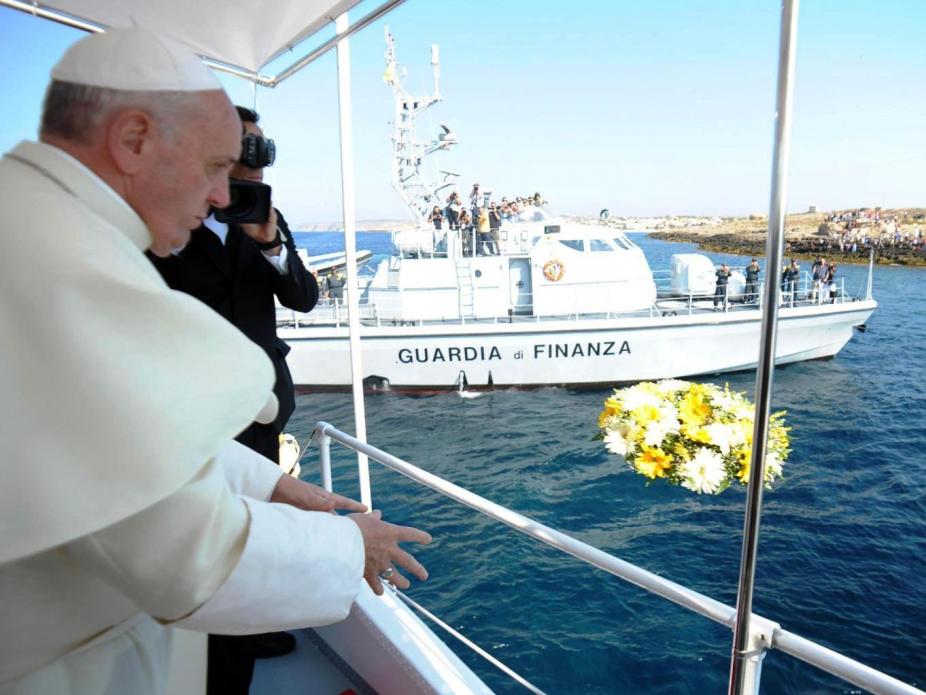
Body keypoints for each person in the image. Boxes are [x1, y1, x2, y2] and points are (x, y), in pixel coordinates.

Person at [0, 27, 430, 695]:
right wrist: (354, 545)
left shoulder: (40, 228)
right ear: (133, 141)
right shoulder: (54, 269)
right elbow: (184, 555)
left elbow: (120, 432)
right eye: (212, 167)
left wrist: (273, 484)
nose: (225, 197)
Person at [146, 106, 317, 691]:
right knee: (214, 537)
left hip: (265, 406)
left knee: (260, 526)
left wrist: (269, 241)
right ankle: (221, 664)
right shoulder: (164, 221)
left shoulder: (265, 216)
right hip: (197, 412)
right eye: (244, 150)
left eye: (261, 152)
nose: (254, 164)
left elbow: (303, 297)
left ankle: (250, 624)